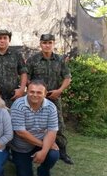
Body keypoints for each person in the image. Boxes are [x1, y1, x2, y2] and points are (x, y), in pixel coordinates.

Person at [26, 34, 73, 165]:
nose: (47, 45)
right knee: (32, 122)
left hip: (53, 97)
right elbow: (26, 77)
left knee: (59, 125)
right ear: (40, 44)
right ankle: (31, 148)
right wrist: (33, 90)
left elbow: (67, 77)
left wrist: (59, 91)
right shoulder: (33, 60)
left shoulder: (59, 60)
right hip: (36, 98)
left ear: (53, 44)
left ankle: (62, 152)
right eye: (44, 42)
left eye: (50, 42)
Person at [10, 80, 60, 176]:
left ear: (45, 94)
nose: (35, 95)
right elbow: (20, 132)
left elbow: (52, 130)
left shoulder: (51, 107)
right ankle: (14, 157)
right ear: (27, 92)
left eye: (39, 92)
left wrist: (44, 151)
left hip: (41, 141)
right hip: (21, 146)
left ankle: (43, 173)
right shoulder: (18, 105)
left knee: (54, 154)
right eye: (32, 91)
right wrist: (44, 147)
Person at [0, 29, 27, 107]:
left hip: (13, 97)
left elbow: (23, 72)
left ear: (9, 40)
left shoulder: (16, 55)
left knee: (12, 118)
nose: (2, 41)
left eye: (5, 38)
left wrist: (22, 89)